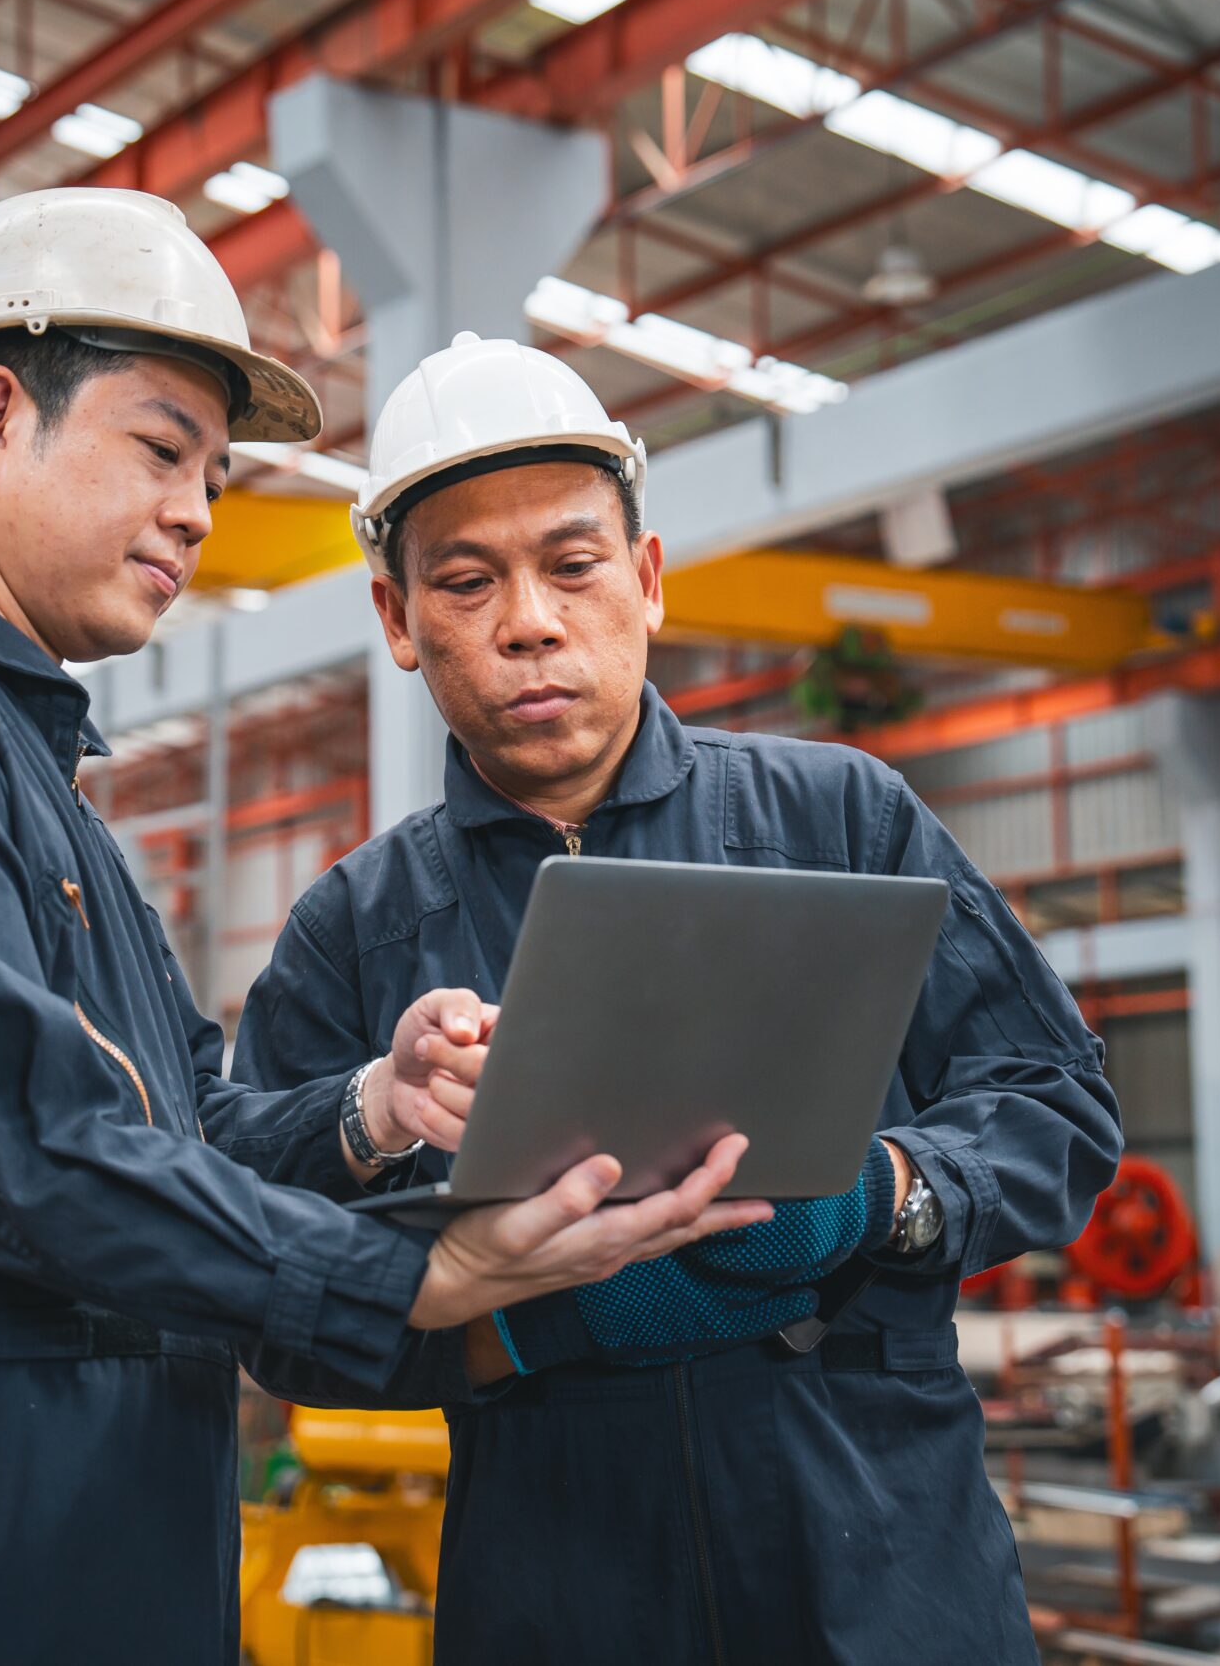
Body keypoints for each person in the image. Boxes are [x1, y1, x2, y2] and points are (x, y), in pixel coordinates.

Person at [0, 197, 768, 1665]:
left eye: (212, 469)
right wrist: (415, 1278)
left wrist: (372, 1113)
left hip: (114, 1483)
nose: (200, 509)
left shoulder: (33, 779)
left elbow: (176, 1129)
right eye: (162, 449)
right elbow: (25, 1151)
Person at [232, 332, 1123, 1665]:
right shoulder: (359, 929)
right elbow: (262, 1278)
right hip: (559, 1579)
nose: (529, 620)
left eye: (572, 566)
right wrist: (407, 1166)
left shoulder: (840, 820)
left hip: (880, 1564)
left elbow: (1055, 1108)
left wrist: (878, 1191)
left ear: (645, 582)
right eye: (466, 582)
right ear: (397, 621)